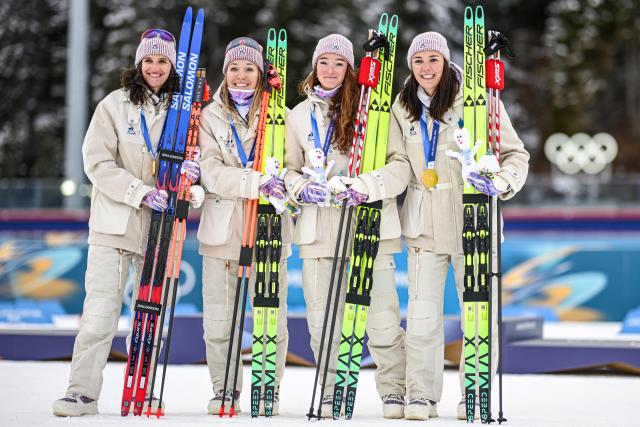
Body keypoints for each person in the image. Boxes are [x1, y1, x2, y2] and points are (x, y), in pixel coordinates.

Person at [52, 28, 202, 416]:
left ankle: (145, 389)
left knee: (149, 316)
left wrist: (192, 181)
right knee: (100, 313)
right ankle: (81, 392)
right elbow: (97, 163)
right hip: (114, 224)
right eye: (149, 60)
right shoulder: (114, 105)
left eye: (163, 61)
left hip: (161, 227)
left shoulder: (185, 111)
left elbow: (199, 166)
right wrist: (139, 190)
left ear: (173, 66)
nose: (155, 67)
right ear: (138, 64)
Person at [391, 32, 530, 420]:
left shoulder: (478, 99)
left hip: (474, 222)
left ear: (446, 61)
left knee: (478, 316)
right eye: (418, 61)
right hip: (424, 223)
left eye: (433, 59)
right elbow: (399, 163)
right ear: (410, 66)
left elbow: (516, 153)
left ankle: (475, 393)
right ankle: (421, 394)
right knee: (421, 319)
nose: (426, 68)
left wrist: (501, 181)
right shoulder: (401, 109)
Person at [283, 34, 410, 419]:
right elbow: (287, 169)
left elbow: (400, 165)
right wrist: (302, 187)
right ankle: (330, 389)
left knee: (383, 321)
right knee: (322, 321)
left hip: (369, 227)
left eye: (339, 63)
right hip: (319, 230)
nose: (331, 70)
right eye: (324, 62)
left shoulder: (375, 111)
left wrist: (365, 186)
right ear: (314, 66)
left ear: (350, 68)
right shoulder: (298, 115)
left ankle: (394, 391)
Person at [196, 36, 292, 416]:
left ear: (259, 73)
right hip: (222, 230)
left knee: (271, 317)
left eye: (249, 68)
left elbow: (290, 162)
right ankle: (224, 388)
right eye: (234, 68)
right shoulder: (209, 115)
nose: (240, 75)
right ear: (225, 73)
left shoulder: (278, 110)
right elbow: (210, 171)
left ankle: (269, 388)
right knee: (220, 319)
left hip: (269, 227)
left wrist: (284, 182)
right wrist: (254, 182)